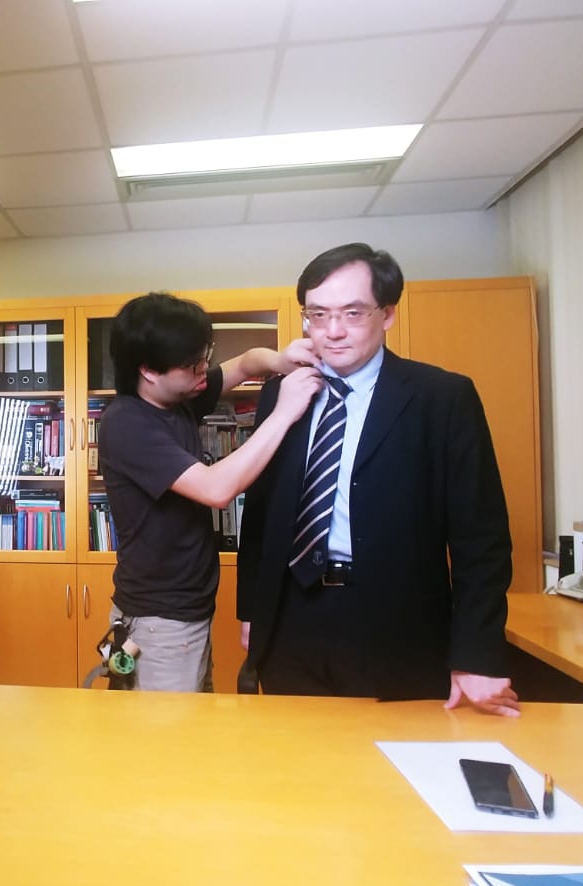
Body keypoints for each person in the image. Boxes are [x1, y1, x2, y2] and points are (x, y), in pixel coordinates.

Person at [236, 243, 519, 716]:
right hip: (290, 622)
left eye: (352, 313)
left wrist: (477, 653)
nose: (333, 331)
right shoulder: (281, 395)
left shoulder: (442, 397)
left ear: (387, 314)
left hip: (397, 626)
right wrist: (251, 610)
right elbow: (261, 514)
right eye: (318, 314)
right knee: (296, 753)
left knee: (390, 755)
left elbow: (482, 539)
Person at [98, 292, 321, 692]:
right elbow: (217, 488)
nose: (204, 370)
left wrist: (280, 360)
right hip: (158, 623)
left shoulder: (180, 395)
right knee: (168, 732)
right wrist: (285, 412)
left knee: (193, 726)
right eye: (192, 365)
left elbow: (246, 362)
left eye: (205, 356)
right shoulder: (126, 423)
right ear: (148, 371)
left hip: (184, 615)